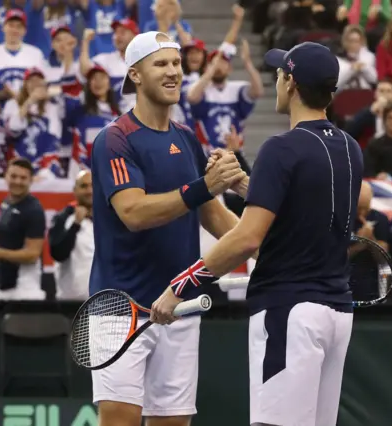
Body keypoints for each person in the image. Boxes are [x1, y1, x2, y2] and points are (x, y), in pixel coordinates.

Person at [151, 42, 363, 426]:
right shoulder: (350, 147)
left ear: (291, 84)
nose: (277, 80)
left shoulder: (281, 149)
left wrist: (179, 286)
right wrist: (249, 185)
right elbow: (305, 207)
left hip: (290, 312)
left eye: (281, 73)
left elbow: (247, 238)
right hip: (336, 314)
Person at [90, 31, 245, 426]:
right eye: (161, 64)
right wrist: (203, 187)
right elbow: (134, 213)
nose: (174, 71)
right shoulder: (114, 140)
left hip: (179, 307)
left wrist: (268, 247)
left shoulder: (185, 139)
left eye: (176, 63)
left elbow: (215, 216)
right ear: (135, 75)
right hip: (121, 310)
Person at [0, 157, 47, 301]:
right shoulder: (6, 203)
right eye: (13, 176)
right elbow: (9, 241)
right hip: (3, 284)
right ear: (6, 177)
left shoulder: (34, 210)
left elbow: (32, 254)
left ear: (31, 180)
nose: (17, 181)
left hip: (25, 287)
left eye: (23, 178)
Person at [49, 170, 94, 301]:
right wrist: (75, 225)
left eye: (92, 186)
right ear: (75, 190)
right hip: (70, 303)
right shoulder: (62, 218)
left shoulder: (108, 220)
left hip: (102, 304)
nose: (89, 191)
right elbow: (58, 253)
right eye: (84, 186)